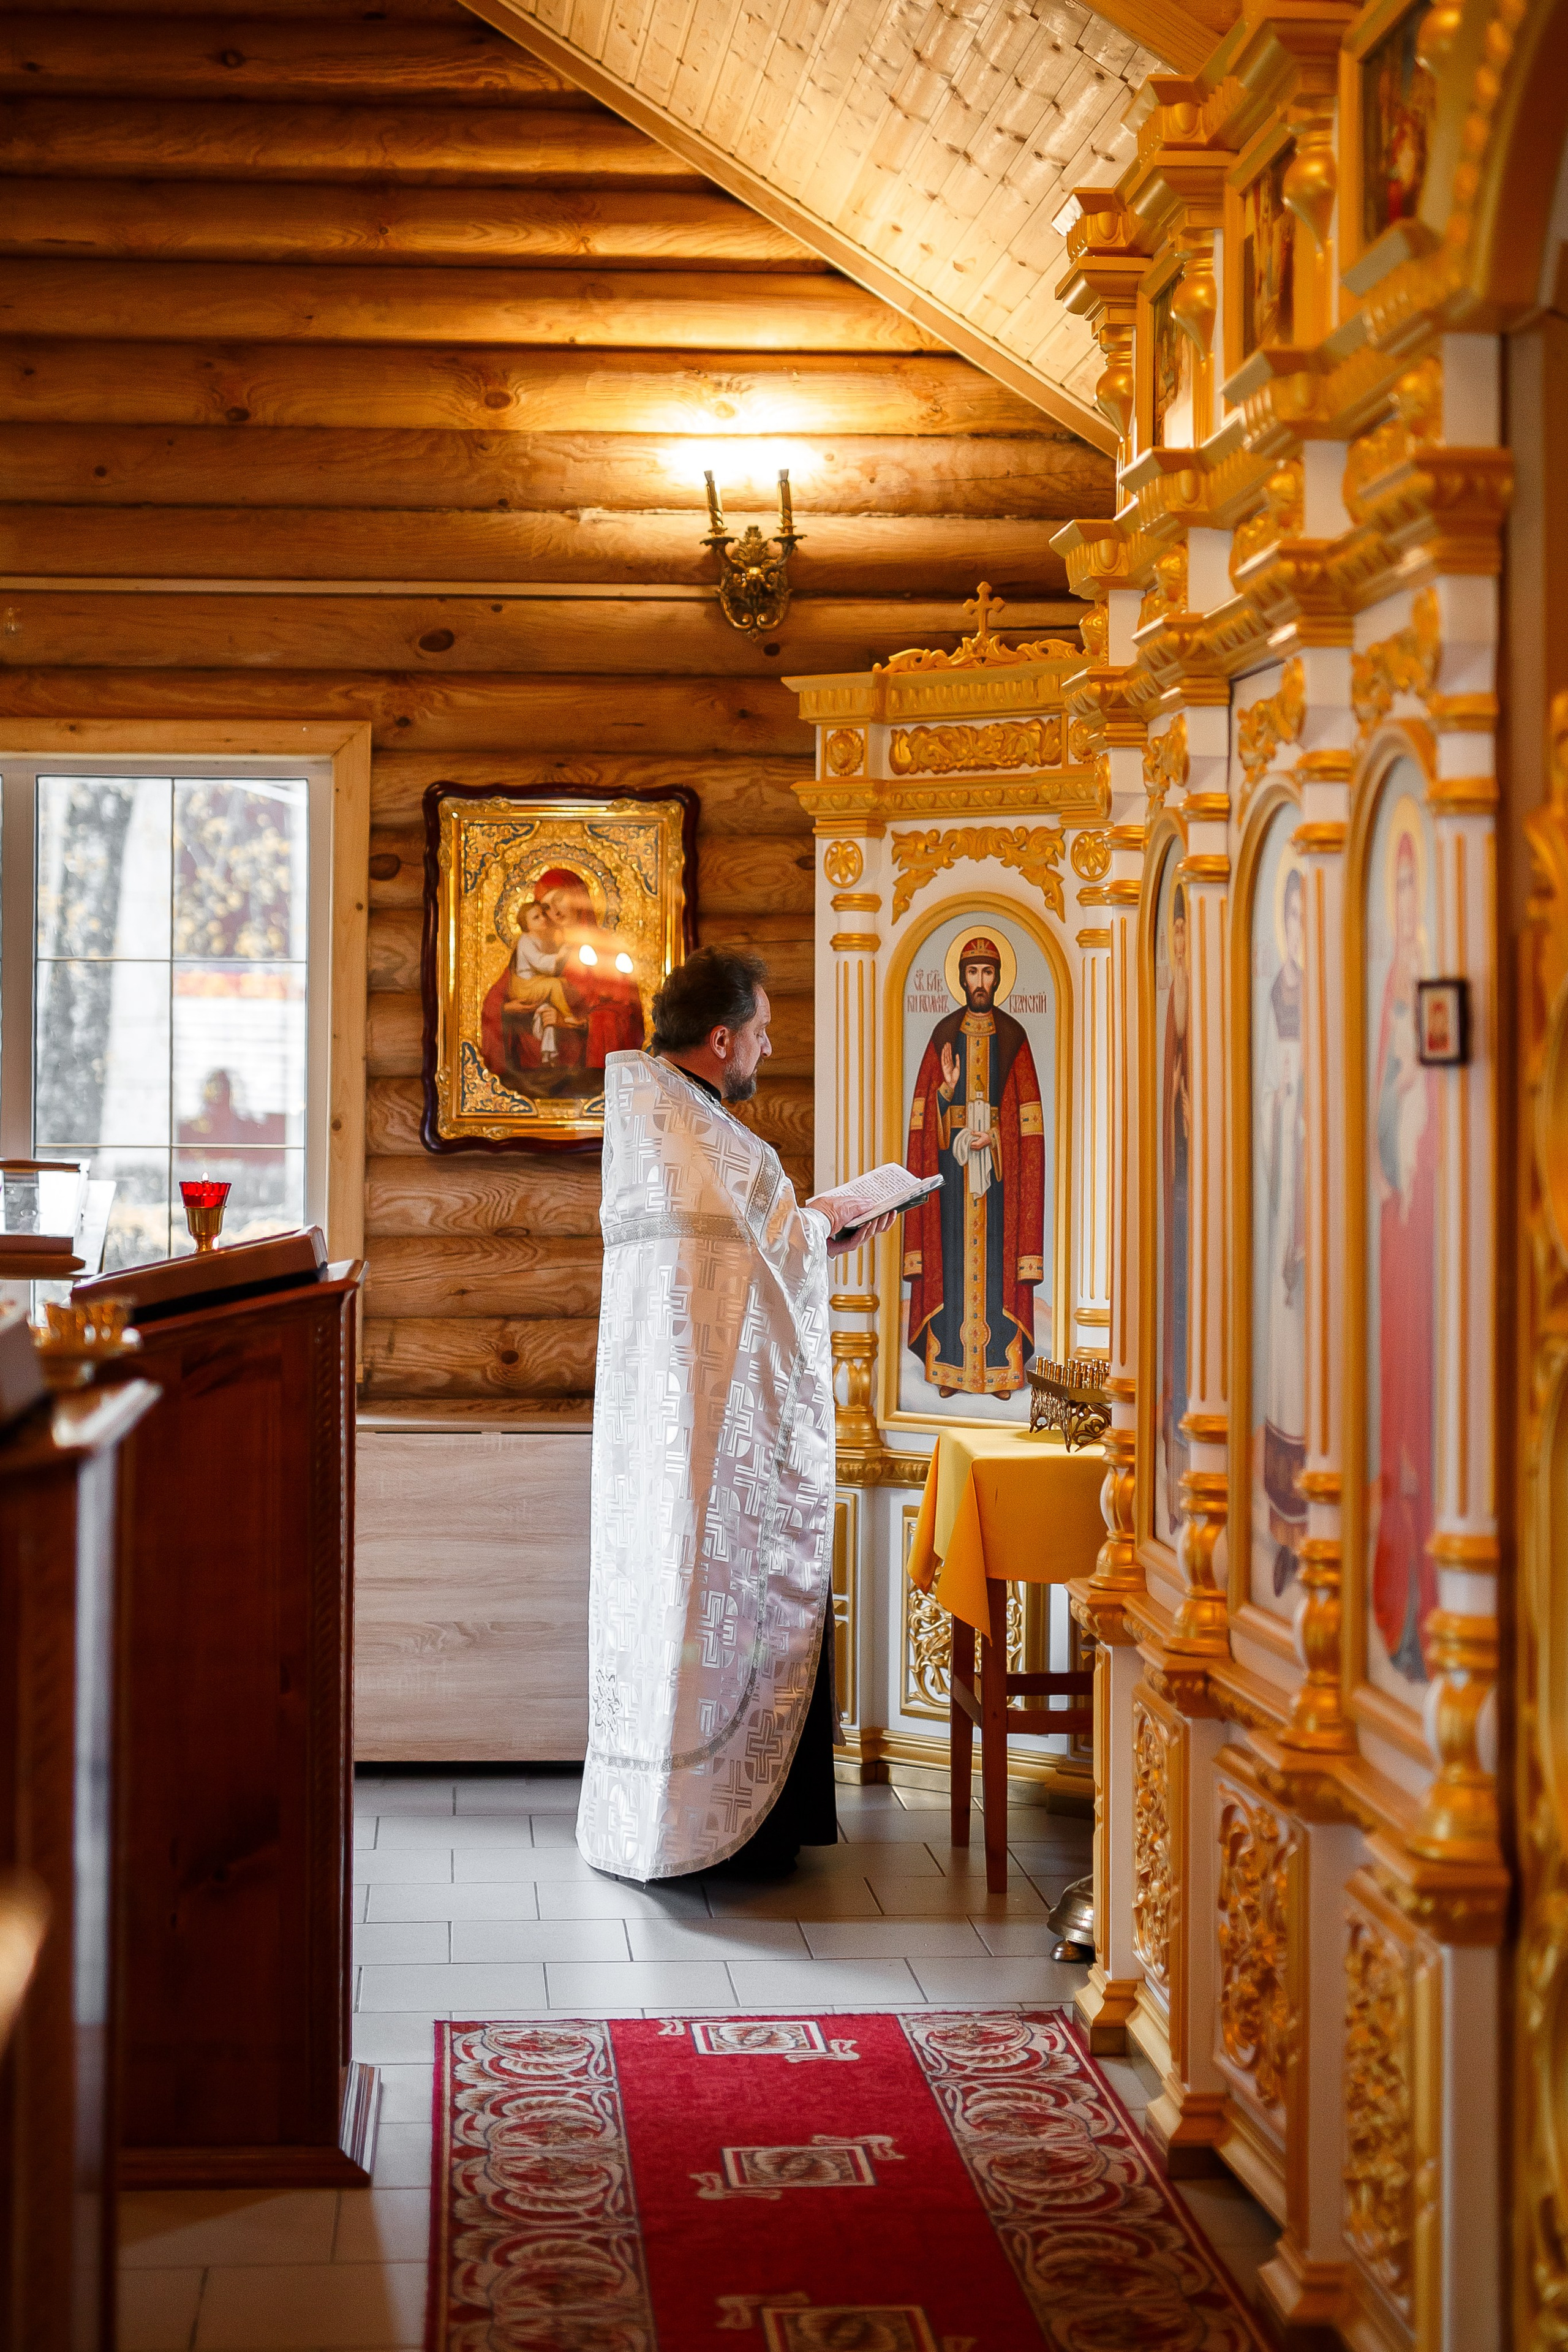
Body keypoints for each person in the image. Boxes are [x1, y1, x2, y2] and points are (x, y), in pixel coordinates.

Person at [575, 947, 895, 1881]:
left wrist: (809, 1228)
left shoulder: (660, 1118)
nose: (767, 1045)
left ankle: (661, 1812)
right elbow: (777, 1250)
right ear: (721, 1039)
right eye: (759, 1031)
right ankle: (723, 1830)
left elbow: (750, 1256)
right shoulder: (709, 1135)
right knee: (722, 1593)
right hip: (716, 1431)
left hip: (672, 1424)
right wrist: (835, 1221)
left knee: (668, 1600)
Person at [902, 934, 1045, 1399]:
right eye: (972, 972)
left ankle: (1001, 1373)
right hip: (953, 1178)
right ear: (962, 978)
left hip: (1001, 1185)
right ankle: (948, 1369)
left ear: (997, 978)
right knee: (952, 1262)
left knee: (998, 1267)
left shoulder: (1014, 1037)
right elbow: (924, 1122)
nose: (979, 981)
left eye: (987, 972)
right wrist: (946, 1092)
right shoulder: (943, 1036)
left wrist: (997, 1139)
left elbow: (1030, 1126)